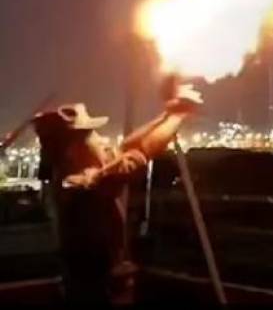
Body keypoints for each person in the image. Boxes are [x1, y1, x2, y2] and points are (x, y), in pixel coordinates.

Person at [33, 80, 203, 305]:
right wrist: (178, 116)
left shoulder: (74, 176)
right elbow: (143, 151)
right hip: (98, 294)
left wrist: (165, 115)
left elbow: (125, 147)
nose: (102, 141)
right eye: (94, 136)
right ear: (74, 151)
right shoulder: (84, 185)